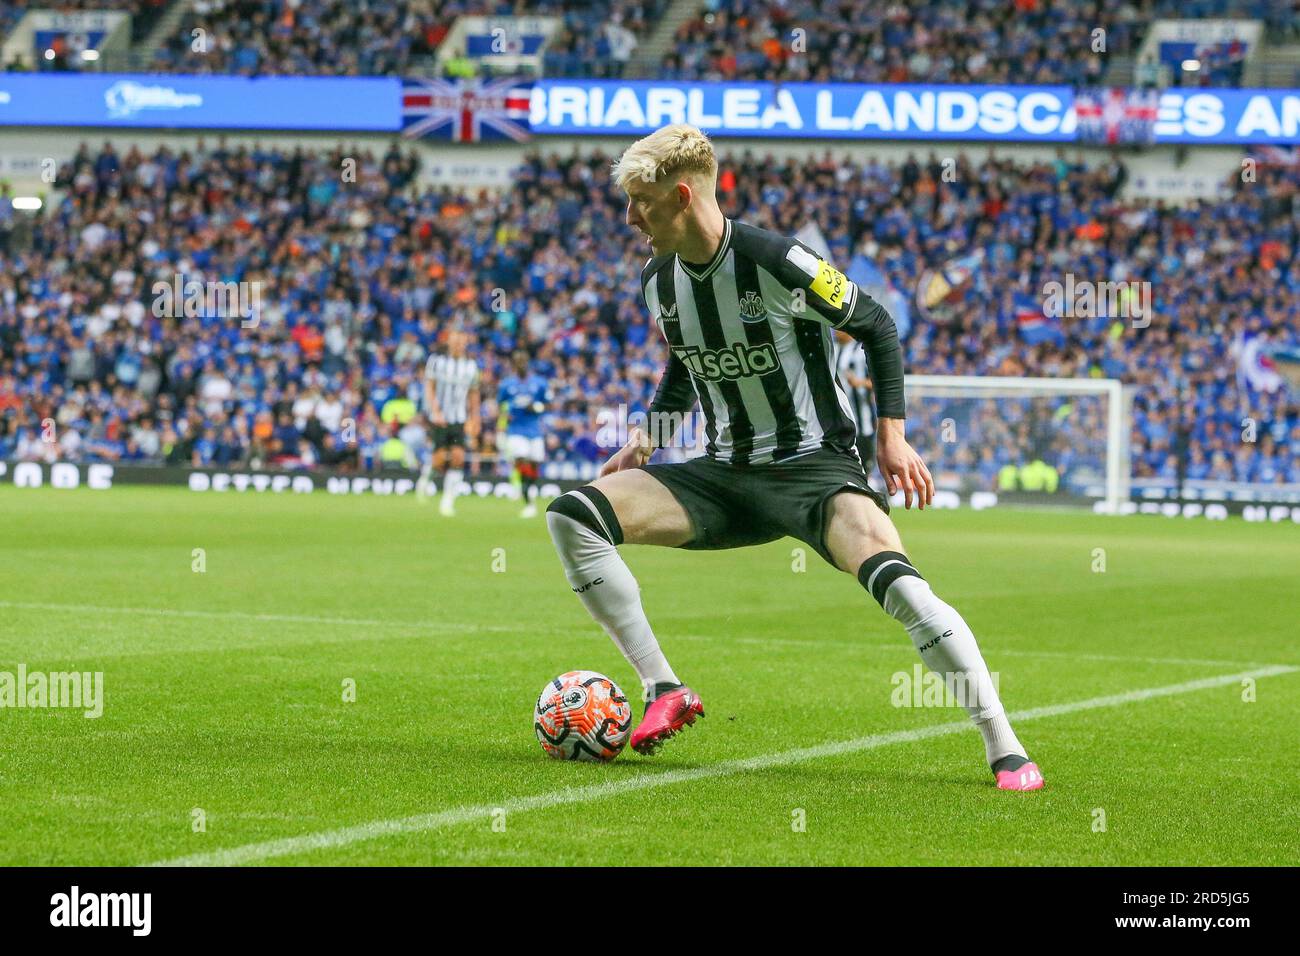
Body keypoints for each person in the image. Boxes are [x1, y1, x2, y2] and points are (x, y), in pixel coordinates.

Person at [544, 124, 1043, 790]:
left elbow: (876, 324)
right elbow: (683, 360)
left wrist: (891, 437)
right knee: (573, 515)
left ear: (682, 195)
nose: (630, 217)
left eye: (640, 201)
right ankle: (664, 686)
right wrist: (647, 438)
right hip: (722, 476)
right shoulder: (659, 281)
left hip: (814, 472)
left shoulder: (779, 261)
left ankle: (1004, 746)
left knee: (906, 592)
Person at [418, 330, 481, 516]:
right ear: (449, 342)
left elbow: (474, 393)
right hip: (440, 417)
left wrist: (475, 417)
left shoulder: (471, 366)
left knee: (458, 458)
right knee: (438, 461)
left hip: (459, 418)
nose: (457, 345)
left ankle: (447, 501)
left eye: (461, 342)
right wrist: (435, 411)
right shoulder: (436, 362)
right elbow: (429, 387)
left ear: (465, 344)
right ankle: (427, 475)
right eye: (454, 341)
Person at [498, 349, 550, 519]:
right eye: (517, 362)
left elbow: (548, 403)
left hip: (534, 429)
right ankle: (527, 497)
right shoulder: (507, 384)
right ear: (514, 365)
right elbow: (500, 404)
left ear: (527, 364)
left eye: (523, 362)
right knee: (521, 458)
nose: (521, 365)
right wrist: (506, 414)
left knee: (534, 463)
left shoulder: (539, 383)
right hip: (516, 430)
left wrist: (537, 407)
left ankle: (528, 489)